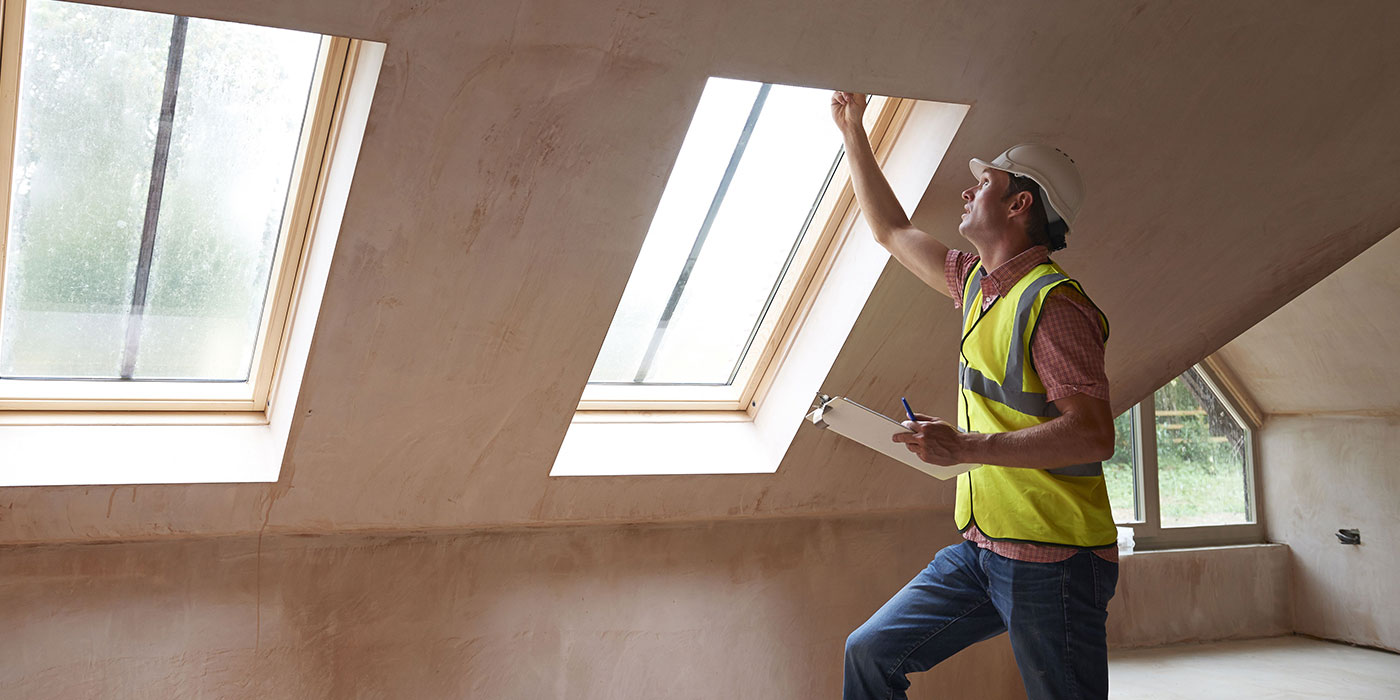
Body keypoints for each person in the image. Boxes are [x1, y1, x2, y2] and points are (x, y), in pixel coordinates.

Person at [830, 91, 1120, 700]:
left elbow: (1094, 433)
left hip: (1056, 558)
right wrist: (853, 129)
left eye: (983, 182)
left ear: (1019, 204)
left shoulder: (1054, 303)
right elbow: (891, 230)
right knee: (870, 652)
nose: (967, 191)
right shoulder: (977, 286)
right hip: (983, 548)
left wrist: (965, 446)